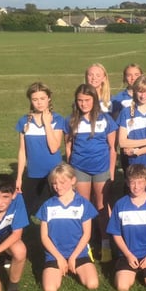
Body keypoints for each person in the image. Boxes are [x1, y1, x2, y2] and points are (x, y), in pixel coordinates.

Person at [65, 84, 118, 263]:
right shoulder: (71, 120)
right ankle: (84, 245)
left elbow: (112, 148)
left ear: (94, 100)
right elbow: (68, 146)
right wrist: (71, 168)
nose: (83, 104)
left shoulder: (106, 119)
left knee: (102, 207)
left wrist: (111, 172)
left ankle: (105, 244)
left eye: (87, 100)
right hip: (80, 169)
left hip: (101, 169)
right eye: (80, 100)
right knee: (84, 207)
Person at [37, 163, 99, 291]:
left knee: (92, 284)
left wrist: (73, 257)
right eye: (54, 183)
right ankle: (59, 266)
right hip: (54, 254)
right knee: (50, 290)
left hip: (79, 252)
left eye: (62, 182)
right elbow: (44, 237)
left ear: (73, 180)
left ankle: (75, 263)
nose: (58, 186)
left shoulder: (83, 204)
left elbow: (86, 234)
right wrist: (59, 258)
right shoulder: (47, 206)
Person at [15, 82, 65, 215]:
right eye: (35, 99)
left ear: (49, 98)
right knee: (25, 211)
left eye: (42, 98)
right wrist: (19, 177)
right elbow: (22, 151)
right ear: (30, 101)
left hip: (54, 174)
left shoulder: (57, 119)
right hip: (33, 173)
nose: (39, 103)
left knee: (55, 211)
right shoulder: (24, 122)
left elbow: (54, 148)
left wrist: (47, 124)